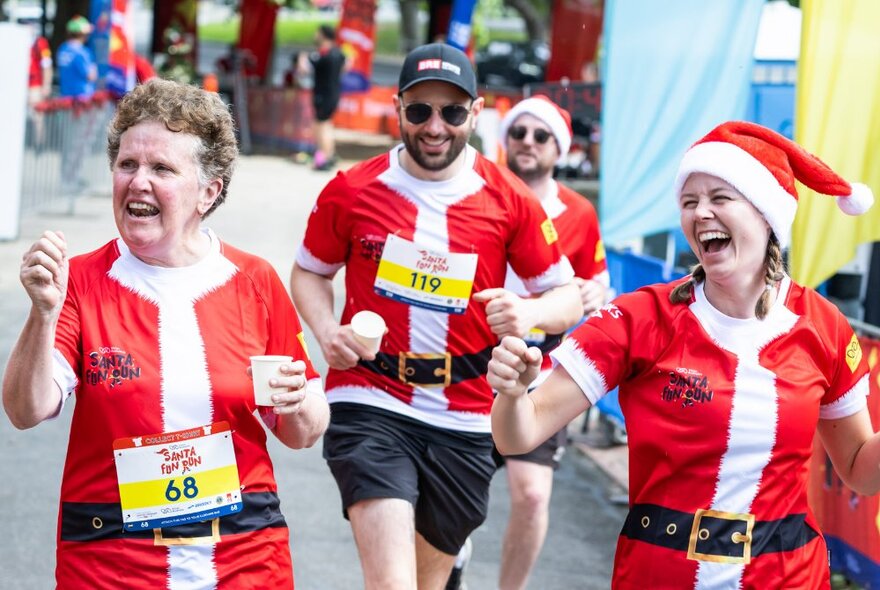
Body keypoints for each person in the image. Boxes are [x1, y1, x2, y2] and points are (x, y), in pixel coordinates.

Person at [489, 120, 877, 589]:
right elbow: (520, 433)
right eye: (690, 202)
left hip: (786, 576)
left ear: (765, 213)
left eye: (720, 198)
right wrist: (511, 394)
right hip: (662, 574)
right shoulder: (639, 318)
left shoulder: (823, 326)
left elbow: (860, 471)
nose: (701, 213)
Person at [2, 78, 330, 589]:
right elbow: (26, 410)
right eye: (127, 165)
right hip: (111, 563)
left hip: (244, 558)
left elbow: (303, 433)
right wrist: (42, 315)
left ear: (208, 191)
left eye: (161, 169)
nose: (138, 182)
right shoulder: (81, 283)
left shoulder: (255, 282)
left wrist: (299, 403)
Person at [290, 42, 582, 590]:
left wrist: (529, 309)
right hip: (370, 397)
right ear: (398, 108)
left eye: (451, 112)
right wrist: (326, 331)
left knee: (429, 581)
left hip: (466, 416)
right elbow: (309, 272)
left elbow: (567, 295)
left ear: (475, 113)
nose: (434, 127)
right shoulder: (353, 190)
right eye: (420, 110)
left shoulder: (510, 199)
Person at [488, 95, 609, 590]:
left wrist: (594, 291)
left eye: (541, 137)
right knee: (451, 488)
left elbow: (599, 286)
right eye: (519, 133)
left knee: (533, 494)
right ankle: (451, 552)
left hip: (539, 362)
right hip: (469, 355)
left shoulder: (578, 212)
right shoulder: (480, 192)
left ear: (559, 149)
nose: (528, 144)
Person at [56, 15, 98, 193]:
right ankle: (71, 180)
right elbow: (90, 75)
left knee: (67, 142)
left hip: (66, 103)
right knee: (79, 142)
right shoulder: (82, 53)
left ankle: (66, 178)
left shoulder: (63, 49)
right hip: (82, 104)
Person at [304, 24, 348, 171]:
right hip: (334, 93)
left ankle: (324, 159)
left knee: (321, 125)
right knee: (326, 124)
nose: (315, 36)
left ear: (323, 35)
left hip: (323, 95)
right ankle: (328, 156)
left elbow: (305, 68)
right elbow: (347, 66)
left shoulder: (323, 54)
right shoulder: (339, 53)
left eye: (317, 33)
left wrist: (303, 59)